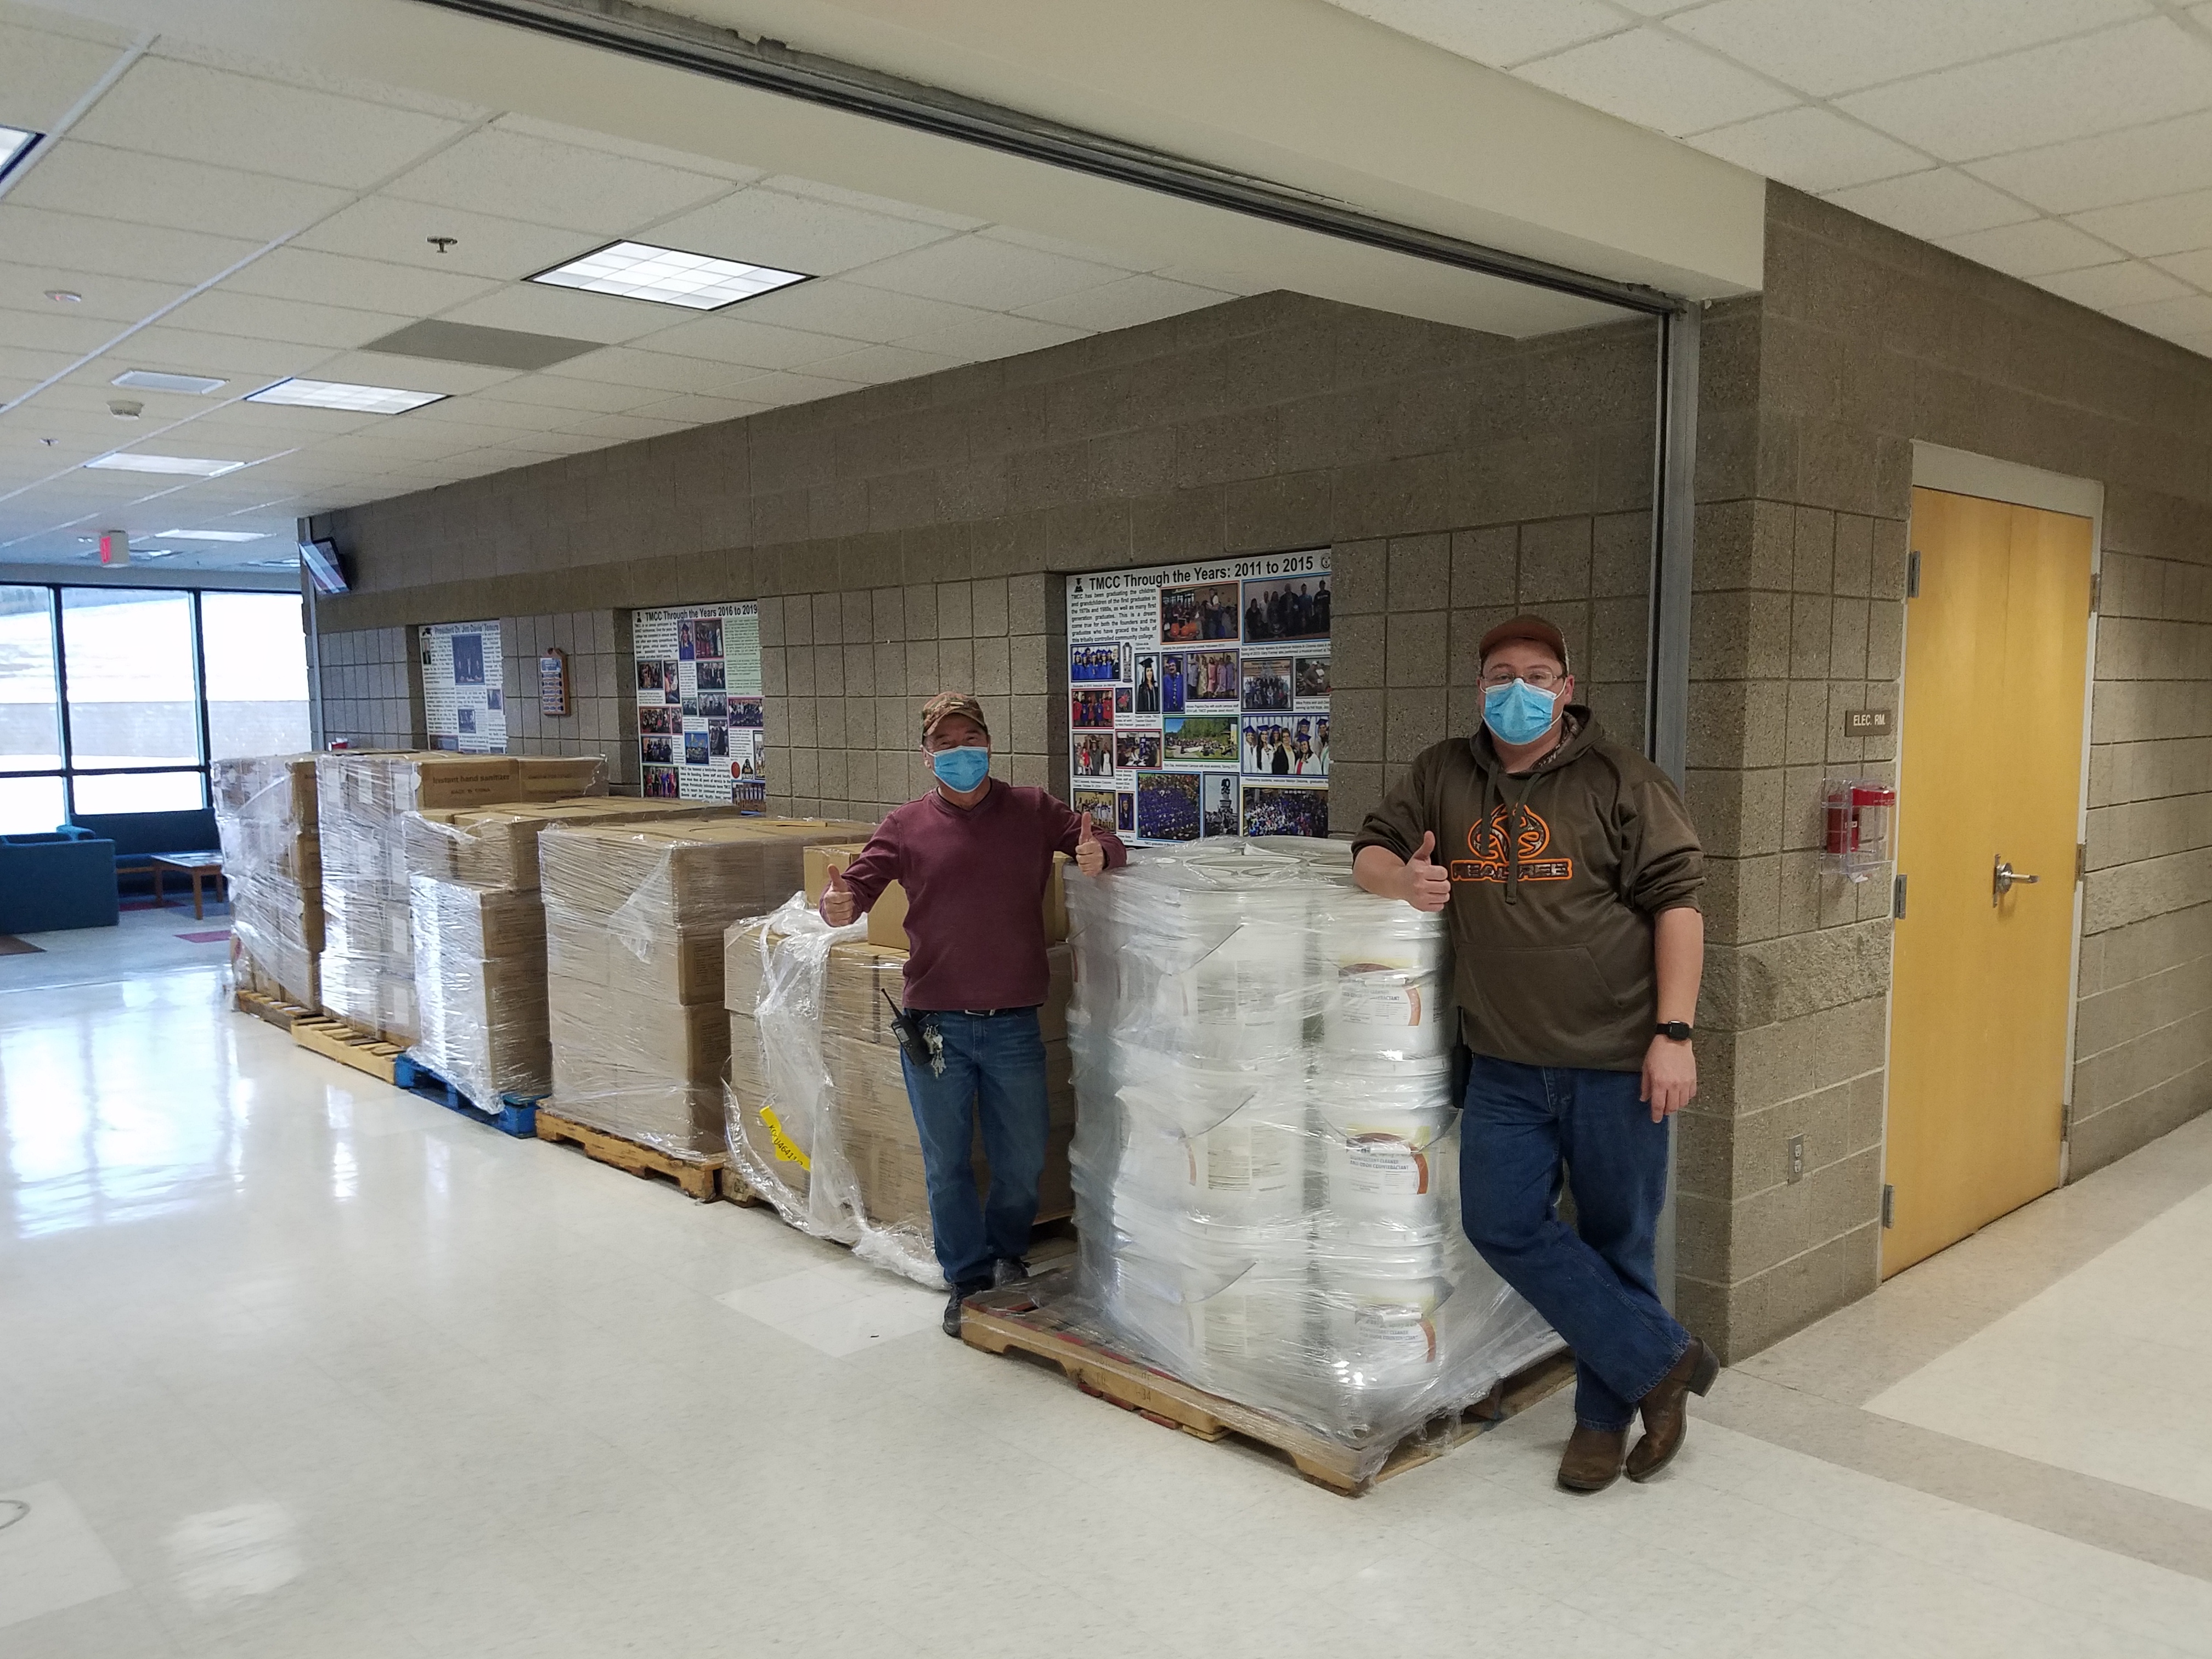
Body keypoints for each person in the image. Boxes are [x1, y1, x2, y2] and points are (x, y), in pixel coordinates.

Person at [1351, 614, 1713, 1495]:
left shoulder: (1621, 779)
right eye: (1502, 675)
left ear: (1568, 687)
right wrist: (1404, 880)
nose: (1520, 690)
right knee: (1500, 1223)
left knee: (1618, 1239)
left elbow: (1680, 906)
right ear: (1480, 690)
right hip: (1505, 1061)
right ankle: (1660, 1362)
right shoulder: (1444, 773)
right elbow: (1369, 849)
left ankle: (1600, 1420)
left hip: (1616, 1061)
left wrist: (1674, 1034)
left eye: (1539, 675)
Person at [822, 691, 1128, 1336]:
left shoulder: (1031, 810)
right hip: (936, 1025)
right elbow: (856, 889)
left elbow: (1096, 841)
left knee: (1020, 1158)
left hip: (1014, 1019)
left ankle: (1009, 1257)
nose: (961, 752)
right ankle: (965, 1279)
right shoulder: (906, 825)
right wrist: (838, 902)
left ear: (989, 743)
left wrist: (1102, 850)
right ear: (927, 755)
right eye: (946, 743)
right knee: (948, 1161)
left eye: (971, 738)